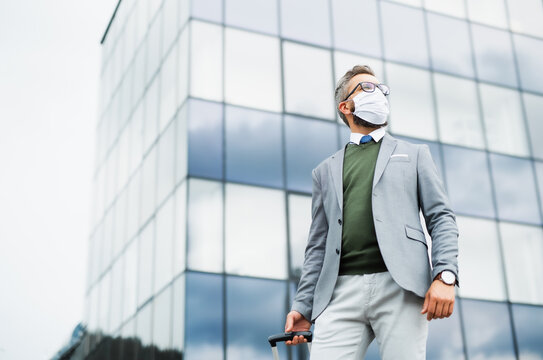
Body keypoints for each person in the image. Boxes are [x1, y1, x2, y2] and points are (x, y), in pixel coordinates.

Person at [283, 65, 459, 359]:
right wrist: (303, 306)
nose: (378, 93)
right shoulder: (324, 171)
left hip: (401, 287)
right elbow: (317, 246)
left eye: (381, 89)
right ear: (345, 106)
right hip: (338, 293)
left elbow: (441, 218)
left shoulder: (415, 155)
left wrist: (445, 275)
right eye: (367, 88)